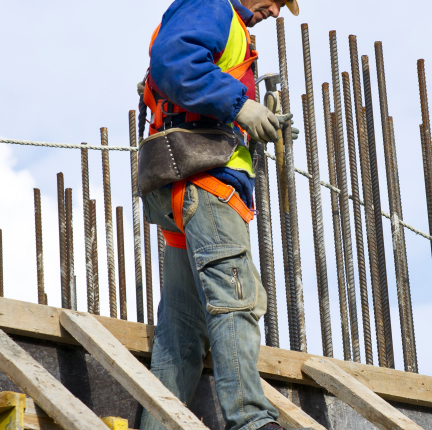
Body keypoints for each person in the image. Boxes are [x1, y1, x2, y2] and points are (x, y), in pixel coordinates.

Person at [137, 0, 299, 430]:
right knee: (235, 299)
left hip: (183, 187)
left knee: (181, 331)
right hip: (206, 186)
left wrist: (255, 122)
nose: (276, 10)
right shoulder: (212, 6)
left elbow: (193, 95)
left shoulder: (228, 24)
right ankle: (251, 420)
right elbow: (173, 60)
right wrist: (240, 105)